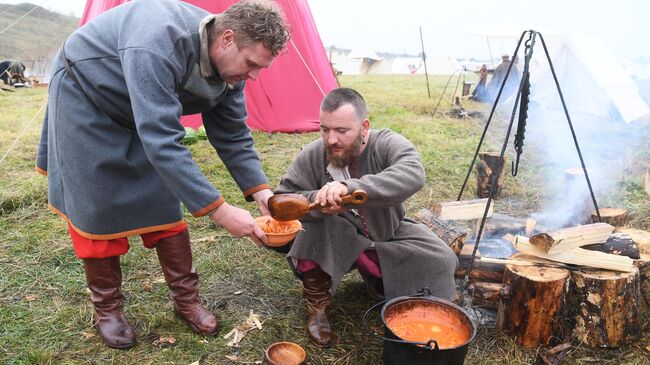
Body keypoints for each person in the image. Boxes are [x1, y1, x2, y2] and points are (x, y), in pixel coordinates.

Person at [35, 0, 289, 349]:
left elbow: (232, 134)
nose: (254, 75)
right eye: (251, 64)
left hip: (139, 109)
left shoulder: (232, 69)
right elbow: (161, 139)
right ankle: (108, 310)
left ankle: (187, 300)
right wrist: (220, 210)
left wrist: (262, 193)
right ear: (227, 39)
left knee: (163, 201)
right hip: (86, 99)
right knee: (96, 208)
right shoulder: (157, 42)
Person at [274, 88, 458, 347]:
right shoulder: (314, 154)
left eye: (341, 131)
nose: (331, 139)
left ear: (364, 127)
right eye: (325, 129)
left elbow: (413, 173)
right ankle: (318, 307)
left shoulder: (386, 143)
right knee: (313, 228)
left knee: (442, 259)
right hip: (337, 235)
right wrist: (320, 199)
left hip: (386, 231)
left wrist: (351, 189)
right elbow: (283, 199)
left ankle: (380, 281)